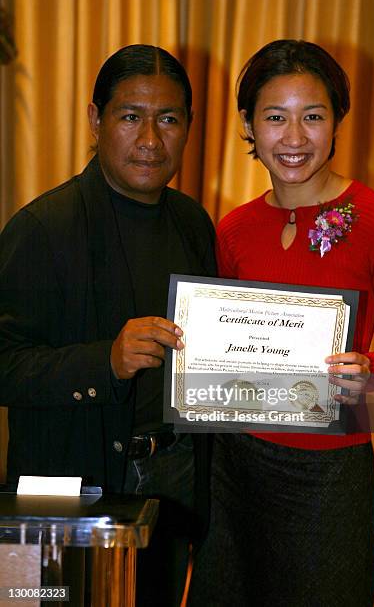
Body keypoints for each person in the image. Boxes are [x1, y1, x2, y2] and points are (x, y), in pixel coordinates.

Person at [188, 40, 374, 606]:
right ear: (248, 124)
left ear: (337, 119)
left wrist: (371, 369)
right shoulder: (234, 230)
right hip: (237, 465)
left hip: (330, 473)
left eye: (312, 116)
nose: (294, 138)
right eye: (275, 117)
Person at [0, 44, 216, 605]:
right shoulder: (42, 228)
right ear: (96, 120)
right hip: (63, 488)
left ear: (189, 127)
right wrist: (105, 362)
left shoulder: (194, 223)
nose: (150, 139)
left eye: (168, 119)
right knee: (45, 602)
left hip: (171, 476)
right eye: (130, 116)